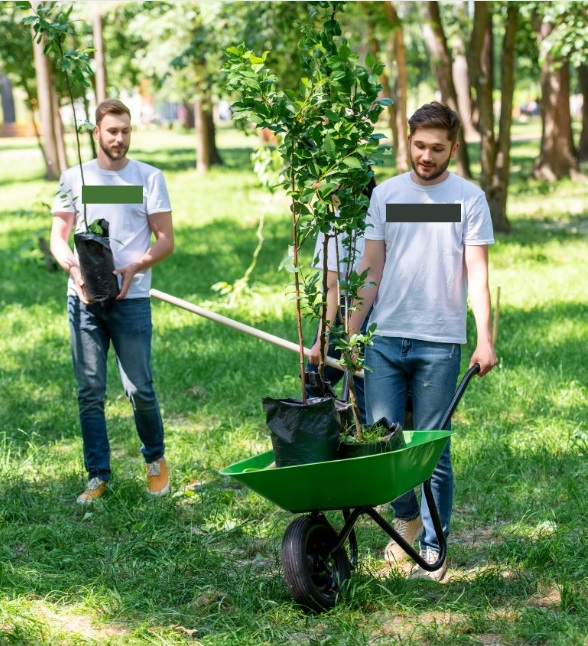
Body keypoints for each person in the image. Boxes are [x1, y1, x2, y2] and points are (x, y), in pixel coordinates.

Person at [348, 101, 497, 581]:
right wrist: (350, 331)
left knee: (432, 451)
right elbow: (371, 266)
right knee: (383, 443)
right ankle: (407, 517)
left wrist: (485, 338)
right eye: (419, 146)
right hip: (386, 338)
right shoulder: (386, 195)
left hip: (439, 341)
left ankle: (434, 552)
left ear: (454, 147)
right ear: (406, 140)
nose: (426, 156)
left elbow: (477, 271)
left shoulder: (469, 199)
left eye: (437, 148)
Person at [50, 99, 174, 504]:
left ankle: (155, 462)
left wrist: (135, 266)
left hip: (130, 298)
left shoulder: (149, 177)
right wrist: (73, 270)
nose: (119, 139)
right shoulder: (74, 177)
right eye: (112, 131)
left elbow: (166, 240)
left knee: (139, 388)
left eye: (125, 131)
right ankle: (97, 474)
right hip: (84, 299)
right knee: (89, 390)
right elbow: (58, 236)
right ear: (97, 133)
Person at [307, 177, 376, 424]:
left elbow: (332, 285)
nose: (319, 188)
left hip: (347, 309)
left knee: (314, 380)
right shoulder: (382, 214)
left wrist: (323, 339)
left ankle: (319, 438)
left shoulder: (335, 223)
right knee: (368, 388)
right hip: (382, 307)